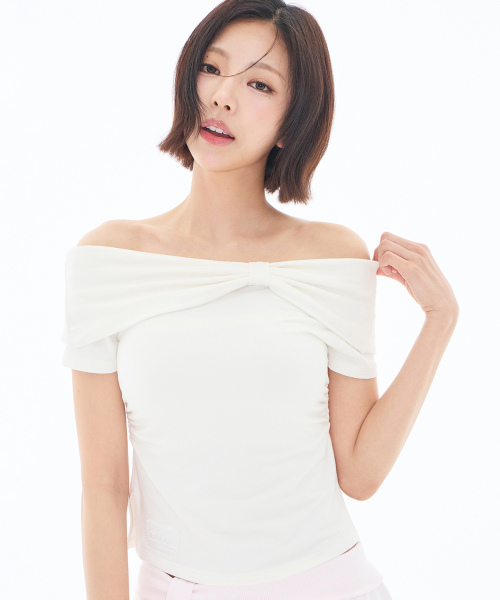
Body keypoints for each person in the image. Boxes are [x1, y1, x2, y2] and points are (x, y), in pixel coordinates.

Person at [61, 1, 459, 599]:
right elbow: (103, 486)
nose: (223, 96)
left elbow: (360, 472)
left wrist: (440, 321)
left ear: (293, 122)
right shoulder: (110, 259)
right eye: (212, 68)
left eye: (260, 84)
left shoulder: (330, 258)